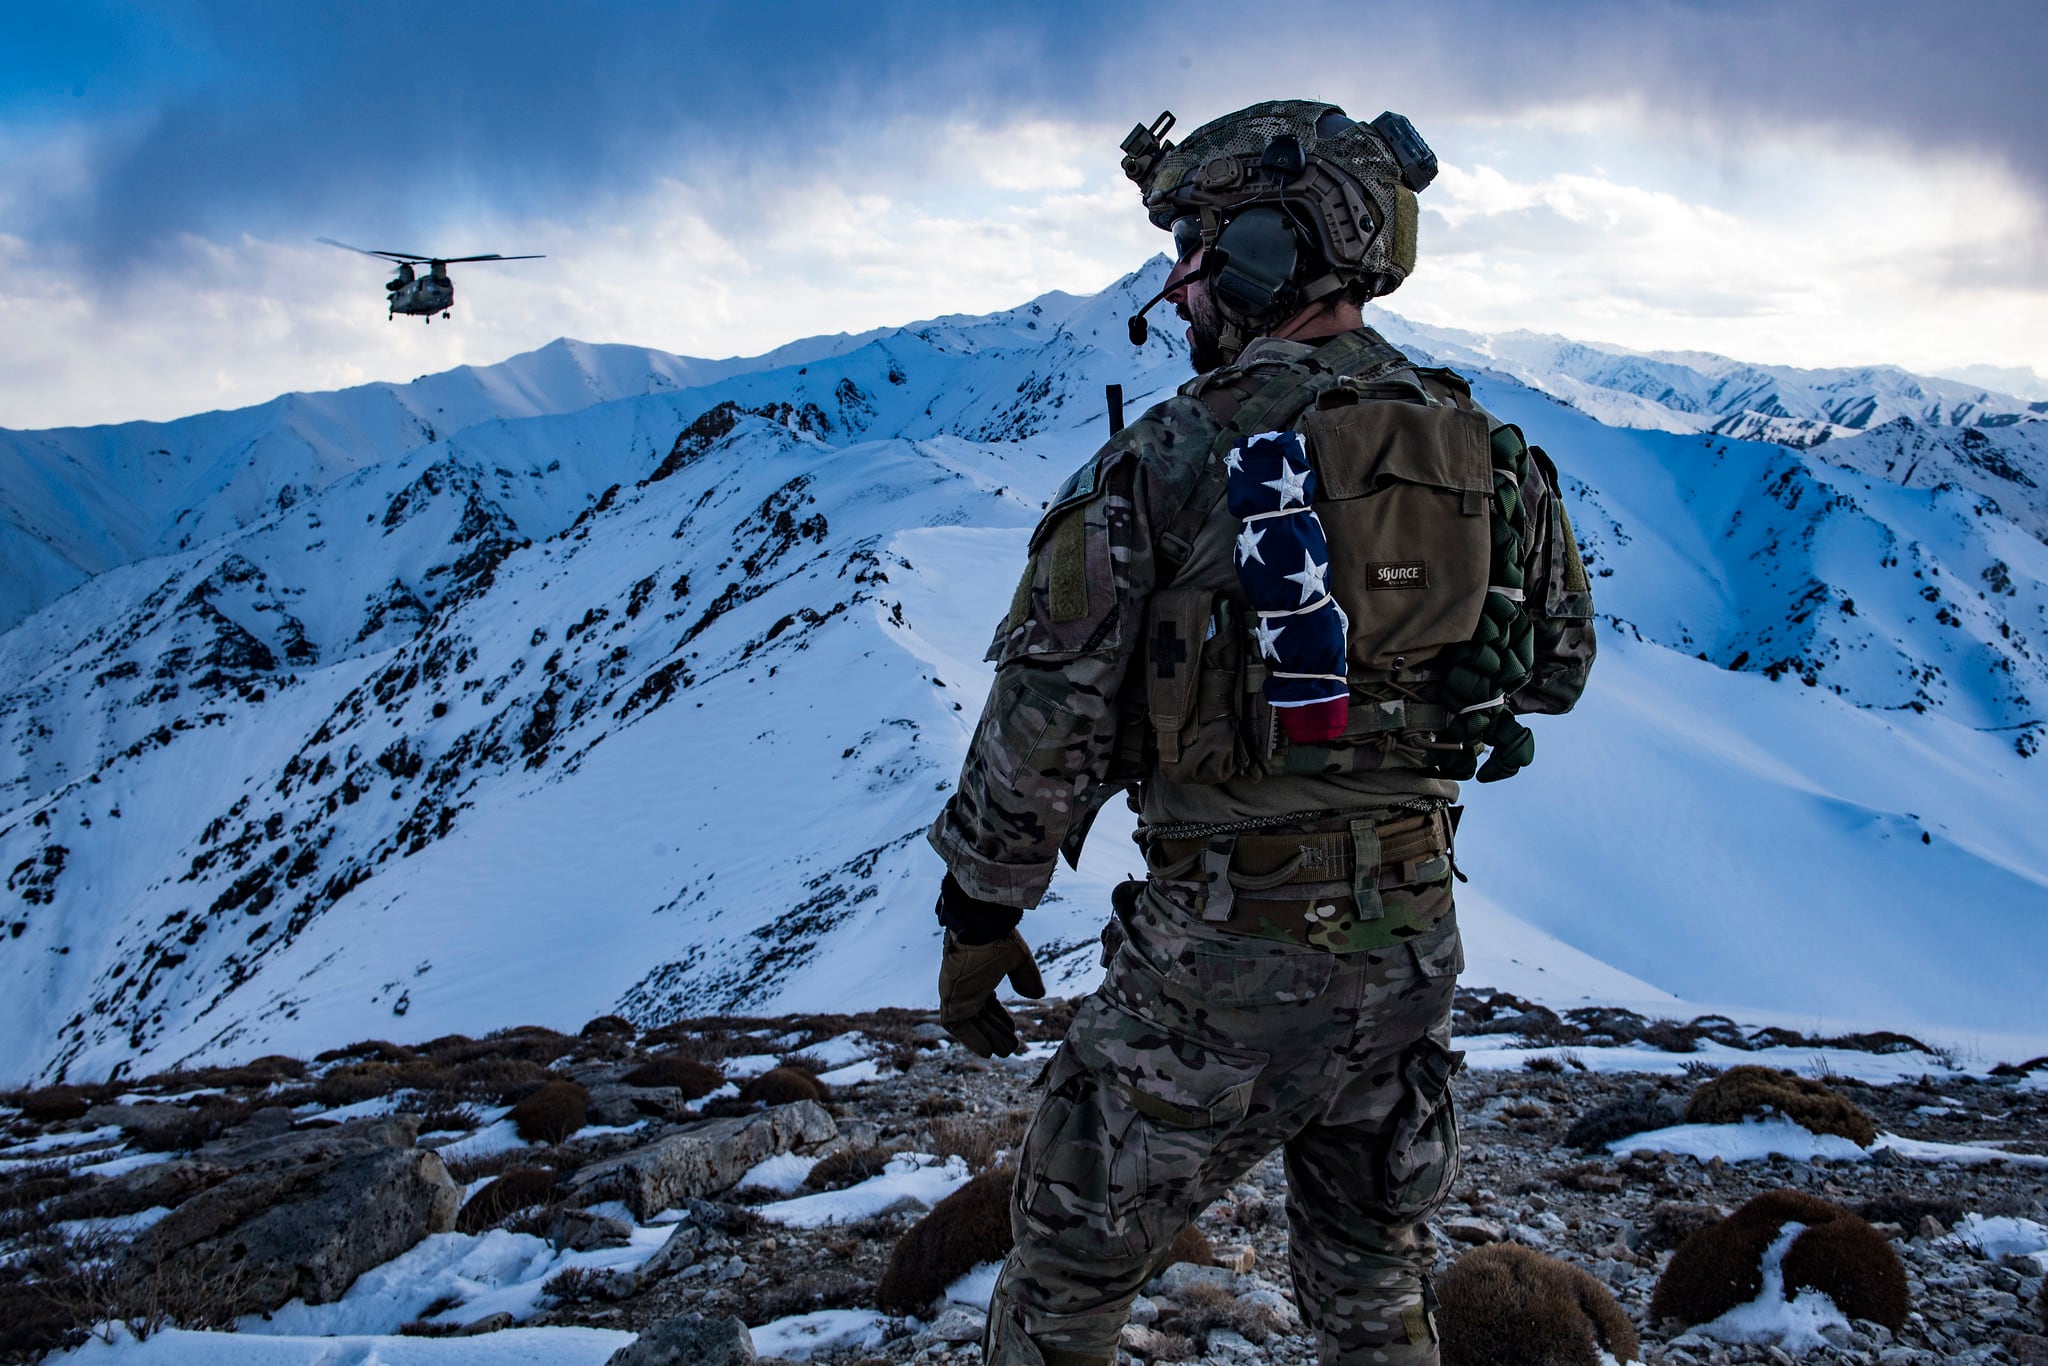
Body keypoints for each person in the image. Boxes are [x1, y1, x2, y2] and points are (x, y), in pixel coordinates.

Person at [928, 100, 1597, 1366]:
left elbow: (1045, 723)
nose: (1179, 284)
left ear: (1260, 253)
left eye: (1195, 244)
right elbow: (1553, 671)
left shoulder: (1168, 453)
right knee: (1369, 1285)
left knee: (1066, 1276)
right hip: (1408, 950)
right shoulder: (1491, 454)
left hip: (1216, 962)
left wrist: (977, 914)